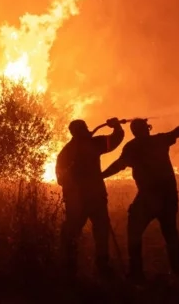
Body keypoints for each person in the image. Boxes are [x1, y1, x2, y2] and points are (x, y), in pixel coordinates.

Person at [101, 117, 179, 281]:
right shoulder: (160, 140)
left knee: (134, 231)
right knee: (170, 233)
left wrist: (101, 176)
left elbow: (119, 165)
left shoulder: (132, 147)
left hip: (148, 198)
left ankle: (136, 273)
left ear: (134, 131)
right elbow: (177, 131)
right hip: (168, 195)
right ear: (147, 128)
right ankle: (177, 272)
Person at [56, 117, 125, 279]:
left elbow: (60, 179)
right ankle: (101, 265)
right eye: (85, 128)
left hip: (77, 201)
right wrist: (116, 126)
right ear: (80, 131)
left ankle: (70, 267)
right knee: (100, 231)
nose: (88, 130)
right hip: (94, 198)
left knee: (73, 233)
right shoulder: (93, 144)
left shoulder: (65, 152)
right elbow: (115, 140)